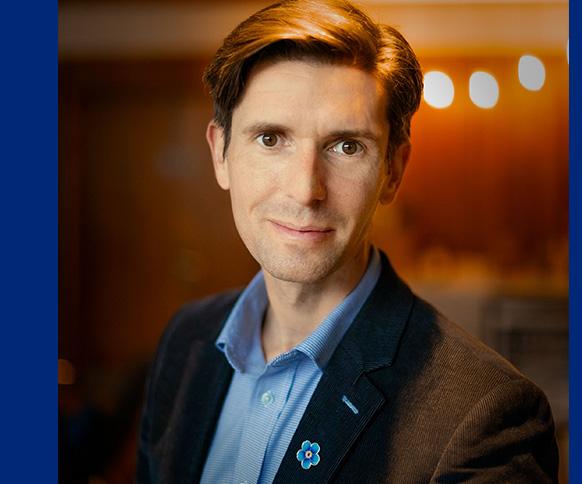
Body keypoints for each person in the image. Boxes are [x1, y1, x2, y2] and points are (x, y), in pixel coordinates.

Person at [136, 0, 559, 482]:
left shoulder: (485, 417)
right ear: (221, 154)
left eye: (346, 146)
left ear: (393, 172)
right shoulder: (186, 342)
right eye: (271, 139)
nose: (305, 190)